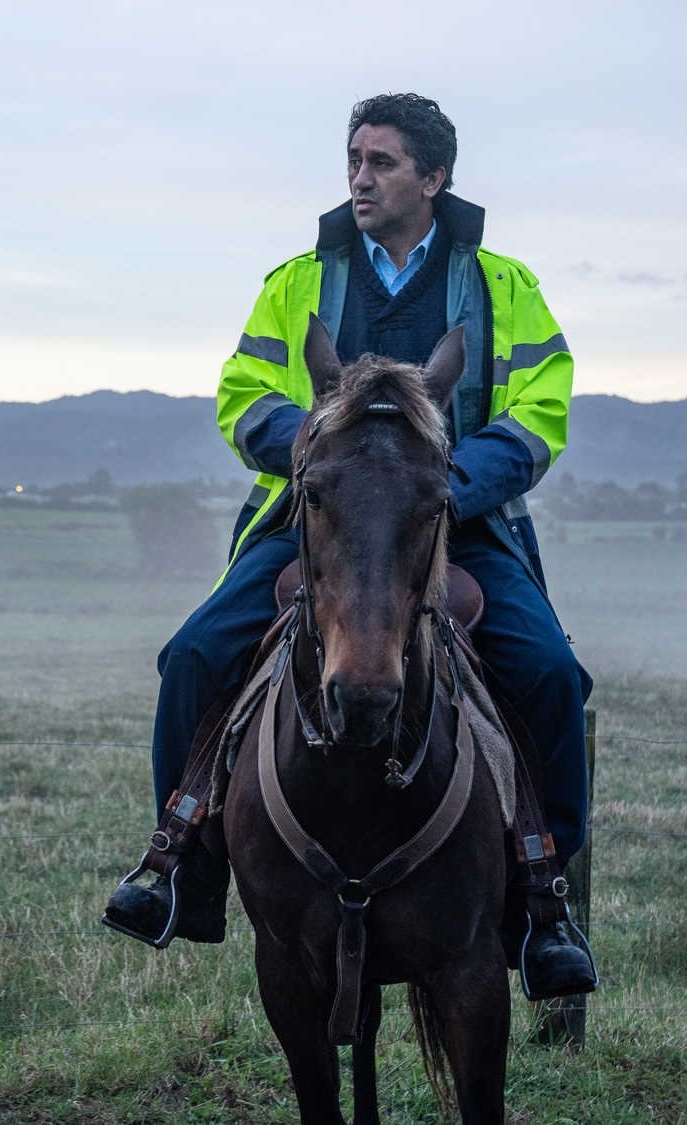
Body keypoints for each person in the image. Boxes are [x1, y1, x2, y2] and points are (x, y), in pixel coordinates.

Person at [103, 93, 596, 998]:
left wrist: (451, 482)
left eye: (381, 162)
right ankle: (181, 871)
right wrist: (317, 453)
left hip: (457, 524)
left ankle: (543, 910)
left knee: (553, 679)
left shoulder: (503, 285)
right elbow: (243, 394)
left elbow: (542, 408)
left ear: (434, 177)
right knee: (195, 656)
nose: (360, 178)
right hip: (314, 515)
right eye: (353, 161)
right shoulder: (298, 281)